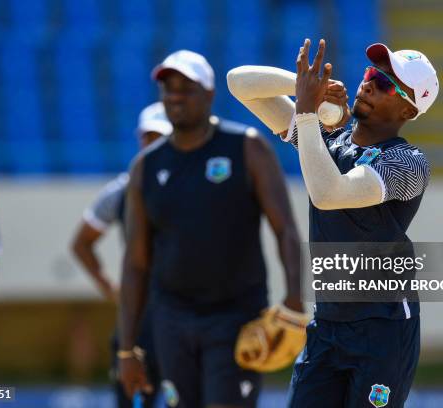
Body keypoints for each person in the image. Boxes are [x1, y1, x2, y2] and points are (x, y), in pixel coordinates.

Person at [228, 39, 438, 407]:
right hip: (328, 321)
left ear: (408, 109)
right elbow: (239, 83)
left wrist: (308, 113)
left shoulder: (409, 162)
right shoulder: (330, 140)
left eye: (387, 83)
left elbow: (329, 192)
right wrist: (303, 85)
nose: (369, 83)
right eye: (372, 73)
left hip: (383, 326)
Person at [118, 50, 304, 408]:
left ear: (209, 94)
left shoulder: (247, 148)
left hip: (236, 315)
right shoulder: (145, 167)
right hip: (171, 318)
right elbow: (136, 263)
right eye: (168, 88)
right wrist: (127, 348)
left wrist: (294, 299)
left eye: (186, 87)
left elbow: (286, 230)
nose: (175, 96)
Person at [71, 101, 172, 408]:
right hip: (139, 317)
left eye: (161, 138)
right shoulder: (123, 189)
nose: (153, 144)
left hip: (182, 313)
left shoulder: (194, 187)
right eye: (148, 137)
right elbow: (82, 242)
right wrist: (109, 288)